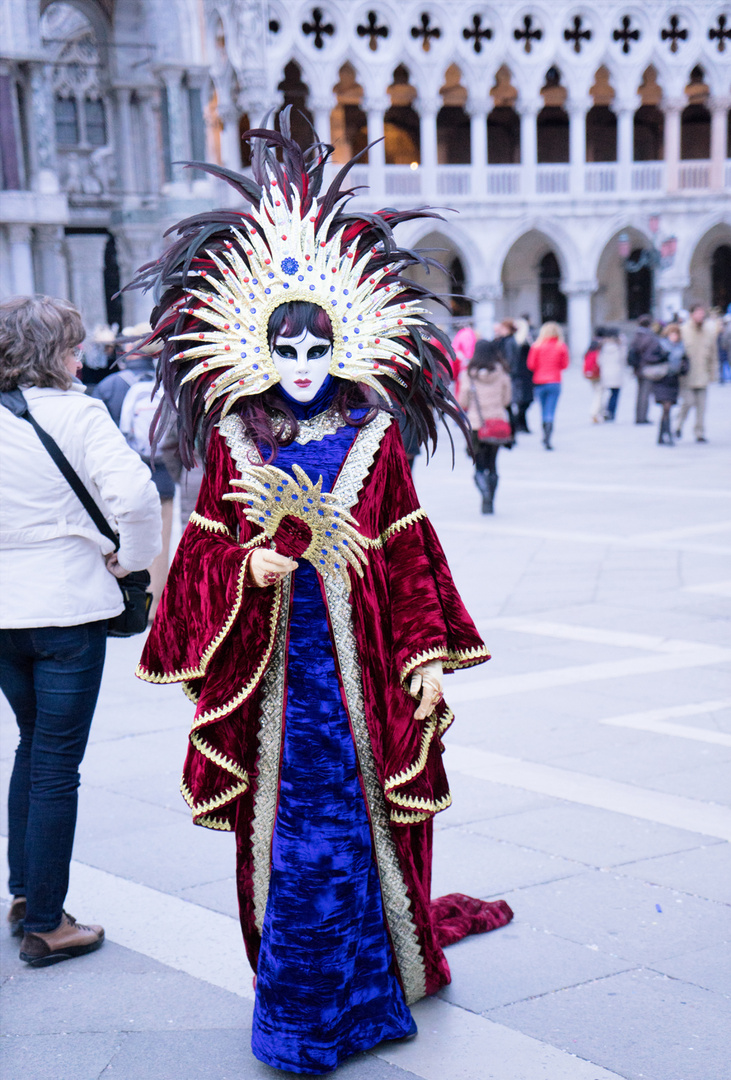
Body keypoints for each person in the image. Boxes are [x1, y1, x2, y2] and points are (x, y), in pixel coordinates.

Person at [130, 120, 513, 1075]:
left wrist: (425, 657)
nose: (303, 362)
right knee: (296, 846)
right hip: (275, 685)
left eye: (318, 344)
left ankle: (369, 993)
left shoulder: (375, 439)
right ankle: (300, 1011)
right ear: (257, 344)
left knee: (358, 836)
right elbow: (204, 552)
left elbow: (410, 551)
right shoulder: (233, 439)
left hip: (362, 676)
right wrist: (243, 573)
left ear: (345, 339)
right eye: (285, 345)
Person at [0, 295, 161, 967]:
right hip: (67, 606)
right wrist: (133, 559)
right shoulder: (80, 412)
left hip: (3, 610)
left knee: (31, 746)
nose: (78, 356)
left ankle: (21, 893)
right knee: (57, 762)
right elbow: (138, 497)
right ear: (53, 353)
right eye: (70, 345)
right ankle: (45, 922)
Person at [93, 328, 176, 616]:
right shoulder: (169, 385)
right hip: (162, 472)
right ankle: (154, 606)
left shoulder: (109, 386)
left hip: (118, 477)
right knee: (160, 541)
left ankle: (123, 600)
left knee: (117, 537)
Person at [458, 339, 513, 514]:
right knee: (493, 464)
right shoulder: (502, 372)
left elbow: (462, 401)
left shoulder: (468, 374)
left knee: (479, 465)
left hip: (476, 424)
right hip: (497, 423)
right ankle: (491, 498)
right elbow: (507, 400)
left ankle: (484, 496)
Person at [677, 304, 719, 442]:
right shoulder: (683, 330)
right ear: (691, 314)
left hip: (703, 374)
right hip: (686, 375)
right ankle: (678, 425)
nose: (700, 316)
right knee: (687, 402)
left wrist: (713, 373)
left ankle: (699, 432)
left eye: (702, 313)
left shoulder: (710, 331)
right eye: (698, 313)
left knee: (702, 406)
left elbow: (713, 354)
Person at [643, 323, 689, 445]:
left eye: (676, 334)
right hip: (661, 380)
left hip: (673, 380)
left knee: (667, 409)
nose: (674, 337)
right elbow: (649, 358)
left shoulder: (681, 347)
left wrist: (684, 368)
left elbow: (685, 362)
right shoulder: (660, 345)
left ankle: (661, 435)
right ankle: (668, 434)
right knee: (666, 407)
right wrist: (663, 357)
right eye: (672, 334)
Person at [526, 321, 569, 450]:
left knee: (543, 408)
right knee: (550, 409)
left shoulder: (536, 346)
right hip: (554, 381)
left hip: (539, 381)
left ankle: (545, 431)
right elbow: (564, 365)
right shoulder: (560, 346)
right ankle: (548, 436)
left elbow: (531, 365)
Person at [627, 315, 660, 424]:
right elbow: (652, 353)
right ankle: (642, 417)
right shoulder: (649, 337)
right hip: (647, 368)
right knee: (645, 394)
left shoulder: (636, 335)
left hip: (637, 369)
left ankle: (638, 416)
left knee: (640, 393)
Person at [597, 327, 627, 422]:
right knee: (615, 394)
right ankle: (611, 412)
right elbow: (623, 358)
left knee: (603, 393)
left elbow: (599, 361)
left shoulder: (603, 347)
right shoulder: (619, 347)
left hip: (605, 373)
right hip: (616, 373)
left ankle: (603, 411)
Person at [510, 317, 534, 432]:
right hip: (519, 374)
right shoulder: (515, 341)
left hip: (525, 374)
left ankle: (521, 423)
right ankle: (518, 424)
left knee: (525, 401)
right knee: (522, 401)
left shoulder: (525, 340)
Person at [584, 331, 603, 423]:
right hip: (598, 375)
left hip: (590, 375)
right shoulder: (598, 353)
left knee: (597, 393)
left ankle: (599, 413)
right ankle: (594, 412)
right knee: (598, 395)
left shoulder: (588, 352)